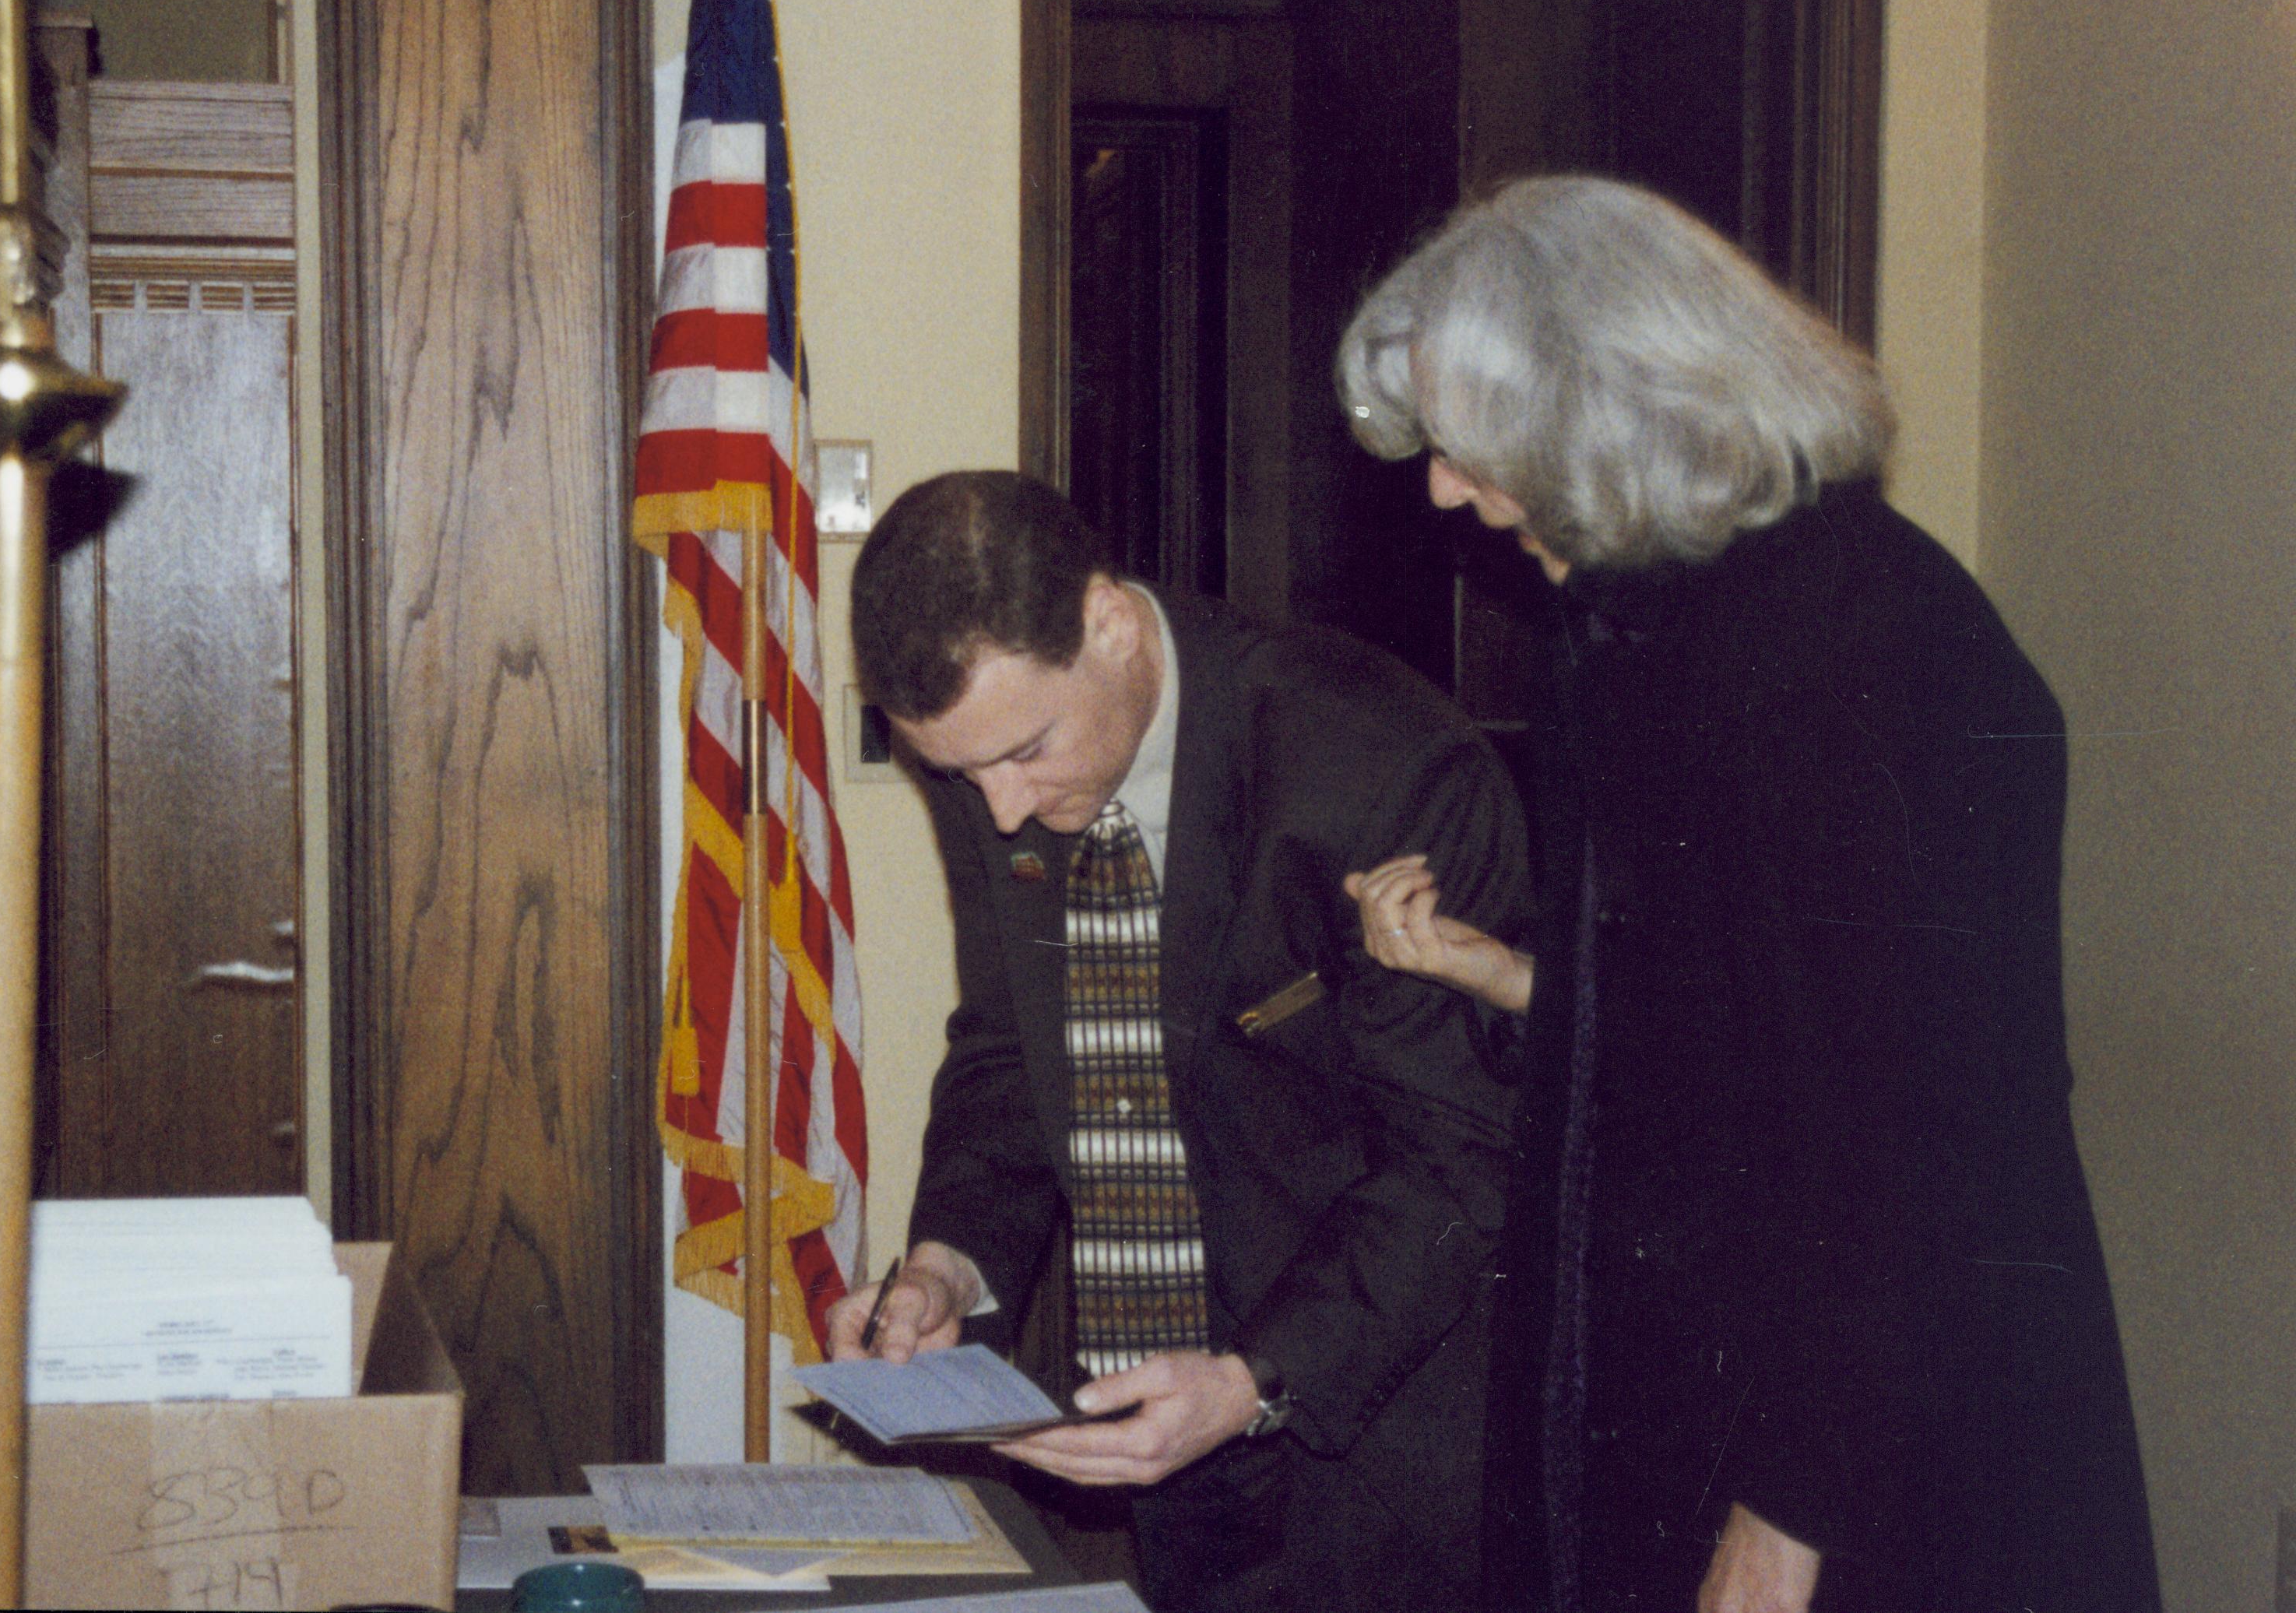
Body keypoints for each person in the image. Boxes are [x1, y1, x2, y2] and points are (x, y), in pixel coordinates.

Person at [1334, 175, 2160, 1613]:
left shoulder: (1869, 645)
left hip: (1875, 1429)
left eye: (1474, 449)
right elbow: (1742, 1016)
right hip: (1706, 1377)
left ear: (1612, 407)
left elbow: (1919, 1126)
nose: (1446, 492)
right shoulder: (1635, 624)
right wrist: (1533, 980)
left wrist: (1792, 1509)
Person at [830, 469, 1529, 1611]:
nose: (999, 807)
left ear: (1110, 621)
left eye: (1024, 752)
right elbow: (1012, 1046)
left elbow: (1458, 1156)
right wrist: (946, 1262)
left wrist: (1254, 1382)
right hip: (1165, 1434)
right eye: (961, 773)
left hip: (1388, 1433)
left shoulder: (1378, 764)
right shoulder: (998, 752)